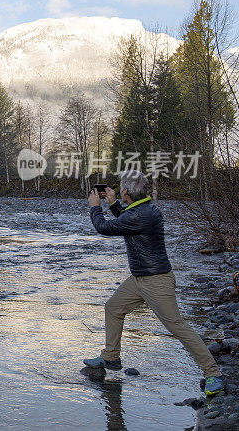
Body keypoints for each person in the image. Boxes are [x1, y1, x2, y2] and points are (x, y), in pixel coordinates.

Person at [83, 170, 225, 396]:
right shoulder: (143, 209)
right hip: (139, 279)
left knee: (177, 327)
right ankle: (111, 357)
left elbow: (106, 228)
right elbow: (126, 223)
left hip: (156, 281)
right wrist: (113, 205)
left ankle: (213, 373)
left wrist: (95, 206)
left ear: (127, 192)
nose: (119, 191)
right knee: (113, 307)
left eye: (121, 189)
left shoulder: (141, 214)